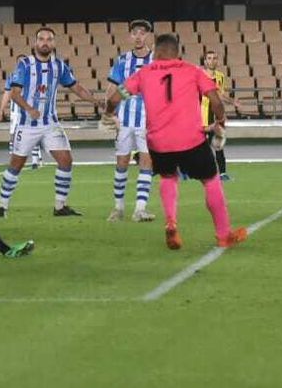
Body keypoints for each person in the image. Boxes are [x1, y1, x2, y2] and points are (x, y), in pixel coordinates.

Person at [105, 32, 245, 251]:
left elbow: (114, 97)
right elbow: (216, 101)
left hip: (158, 143)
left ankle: (171, 222)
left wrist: (109, 114)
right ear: (177, 52)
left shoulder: (143, 73)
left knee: (168, 178)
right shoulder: (193, 71)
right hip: (191, 140)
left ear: (156, 52)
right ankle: (223, 234)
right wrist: (220, 122)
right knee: (210, 180)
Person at [0, 27, 101, 218]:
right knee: (16, 165)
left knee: (66, 161)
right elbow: (14, 93)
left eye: (49, 39)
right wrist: (29, 109)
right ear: (35, 43)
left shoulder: (59, 66)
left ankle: (60, 207)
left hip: (50, 124)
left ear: (54, 43)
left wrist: (95, 101)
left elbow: (76, 87)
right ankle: (2, 206)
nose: (45, 42)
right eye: (41, 39)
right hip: (27, 124)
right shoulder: (25, 65)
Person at [106, 18, 156, 223]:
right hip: (124, 119)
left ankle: (140, 209)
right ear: (130, 36)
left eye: (142, 33)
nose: (138, 36)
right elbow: (112, 88)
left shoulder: (156, 61)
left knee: (147, 161)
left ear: (148, 36)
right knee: (122, 162)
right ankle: (118, 208)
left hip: (148, 118)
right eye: (135, 32)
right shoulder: (122, 60)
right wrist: (109, 114)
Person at [0, 63, 43, 170]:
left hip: (29, 107)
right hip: (15, 110)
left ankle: (35, 160)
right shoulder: (12, 77)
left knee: (33, 132)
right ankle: (12, 159)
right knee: (13, 134)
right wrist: (1, 110)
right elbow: (7, 93)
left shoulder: (34, 76)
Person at [200, 48, 233, 182]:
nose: (212, 61)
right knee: (200, 147)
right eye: (209, 58)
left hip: (216, 115)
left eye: (214, 58)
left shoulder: (220, 76)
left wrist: (230, 103)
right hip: (203, 116)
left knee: (219, 144)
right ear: (205, 61)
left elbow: (220, 95)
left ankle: (222, 173)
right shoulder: (199, 75)